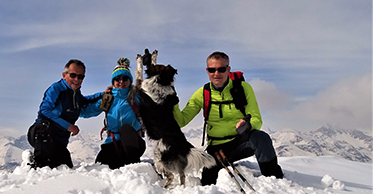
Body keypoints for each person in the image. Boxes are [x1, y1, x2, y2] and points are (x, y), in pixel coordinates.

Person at [173, 51, 284, 185]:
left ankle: (275, 181)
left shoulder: (243, 88)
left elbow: (256, 117)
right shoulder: (203, 93)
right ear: (207, 71)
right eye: (212, 70)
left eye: (221, 69)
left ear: (228, 69)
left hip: (240, 141)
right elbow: (181, 121)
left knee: (261, 138)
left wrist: (247, 125)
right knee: (208, 182)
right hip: (216, 147)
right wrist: (173, 102)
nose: (216, 73)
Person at [27, 59, 105, 169]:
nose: (77, 79)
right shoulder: (56, 88)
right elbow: (44, 111)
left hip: (58, 141)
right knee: (45, 166)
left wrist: (104, 93)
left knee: (66, 168)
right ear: (64, 75)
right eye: (73, 75)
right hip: (41, 134)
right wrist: (69, 126)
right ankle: (36, 164)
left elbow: (86, 100)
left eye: (80, 76)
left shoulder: (76, 94)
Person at [86, 57, 146, 169]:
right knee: (100, 167)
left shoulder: (135, 97)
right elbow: (89, 111)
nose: (121, 82)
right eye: (118, 79)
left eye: (125, 78)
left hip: (133, 142)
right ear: (113, 81)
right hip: (113, 142)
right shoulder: (108, 99)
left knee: (126, 129)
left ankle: (133, 168)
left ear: (130, 81)